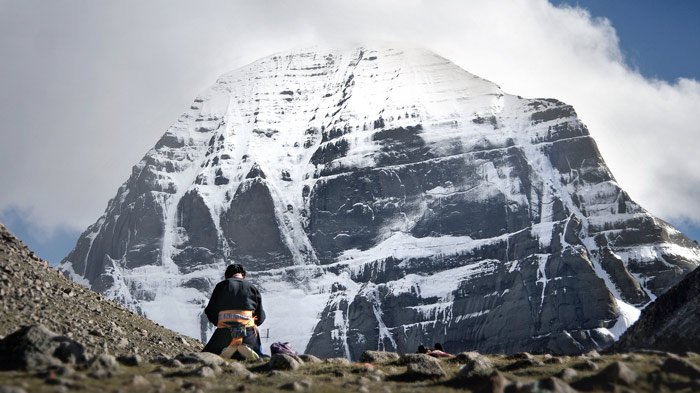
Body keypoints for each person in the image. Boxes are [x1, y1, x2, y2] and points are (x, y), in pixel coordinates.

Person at [202, 263, 266, 360]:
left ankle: (228, 348)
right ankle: (248, 349)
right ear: (243, 276)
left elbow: (210, 310)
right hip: (247, 332)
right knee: (258, 354)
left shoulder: (221, 286)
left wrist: (218, 323)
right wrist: (255, 323)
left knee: (207, 355)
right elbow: (260, 317)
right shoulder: (252, 287)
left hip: (224, 332)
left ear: (226, 276)